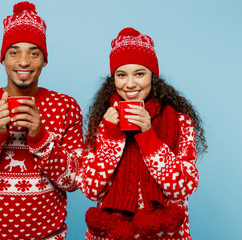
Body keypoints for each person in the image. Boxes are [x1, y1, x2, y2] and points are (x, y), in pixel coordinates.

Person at [0, 2, 83, 239]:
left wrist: (40, 137)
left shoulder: (66, 107)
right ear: (3, 59)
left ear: (44, 60)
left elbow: (75, 180)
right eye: (14, 52)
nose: (23, 61)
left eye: (34, 52)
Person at [76, 27, 207, 240]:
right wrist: (111, 137)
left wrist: (148, 136)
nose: (130, 84)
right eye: (121, 75)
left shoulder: (180, 121)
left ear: (152, 76)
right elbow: (91, 189)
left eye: (139, 73)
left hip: (165, 234)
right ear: (113, 79)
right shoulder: (103, 123)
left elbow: (183, 187)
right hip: (112, 234)